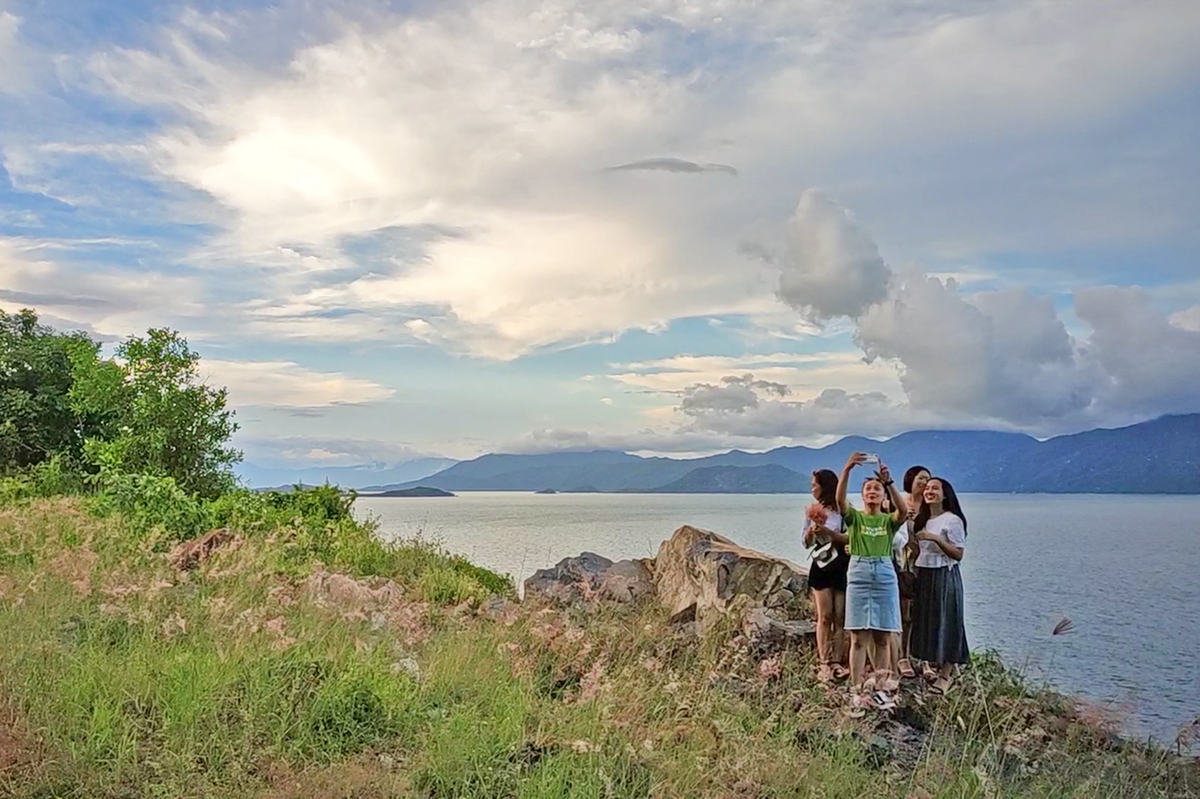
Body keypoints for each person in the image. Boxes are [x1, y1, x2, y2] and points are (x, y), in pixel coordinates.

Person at [836, 453, 908, 702]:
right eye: (868, 488)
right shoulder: (855, 518)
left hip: (884, 573)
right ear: (863, 494)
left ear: (883, 495)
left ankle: (880, 687)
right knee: (858, 636)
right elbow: (839, 500)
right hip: (859, 571)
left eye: (877, 488)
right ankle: (856, 689)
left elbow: (904, 511)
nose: (872, 492)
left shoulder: (888, 521)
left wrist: (889, 483)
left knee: (882, 635)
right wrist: (846, 469)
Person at [910, 477, 970, 694]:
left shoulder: (952, 520)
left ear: (946, 495)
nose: (929, 491)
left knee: (949, 620)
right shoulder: (923, 519)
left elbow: (958, 554)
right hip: (925, 573)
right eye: (927, 488)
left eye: (935, 488)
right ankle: (930, 663)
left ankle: (946, 674)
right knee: (928, 620)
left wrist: (935, 539)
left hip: (945, 574)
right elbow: (920, 553)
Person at [802, 469, 850, 682]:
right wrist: (811, 533)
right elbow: (804, 543)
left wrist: (829, 533)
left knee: (840, 616)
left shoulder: (842, 510)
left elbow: (850, 538)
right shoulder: (812, 511)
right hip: (821, 563)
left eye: (815, 485)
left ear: (825, 486)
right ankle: (824, 661)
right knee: (824, 615)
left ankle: (837, 661)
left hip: (840, 562)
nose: (812, 488)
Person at [895, 465, 931, 679]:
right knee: (905, 612)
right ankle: (903, 656)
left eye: (928, 479)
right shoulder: (901, 503)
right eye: (921, 479)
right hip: (906, 563)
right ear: (910, 480)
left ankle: (924, 659)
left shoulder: (933, 507)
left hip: (927, 563)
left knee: (924, 613)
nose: (925, 483)